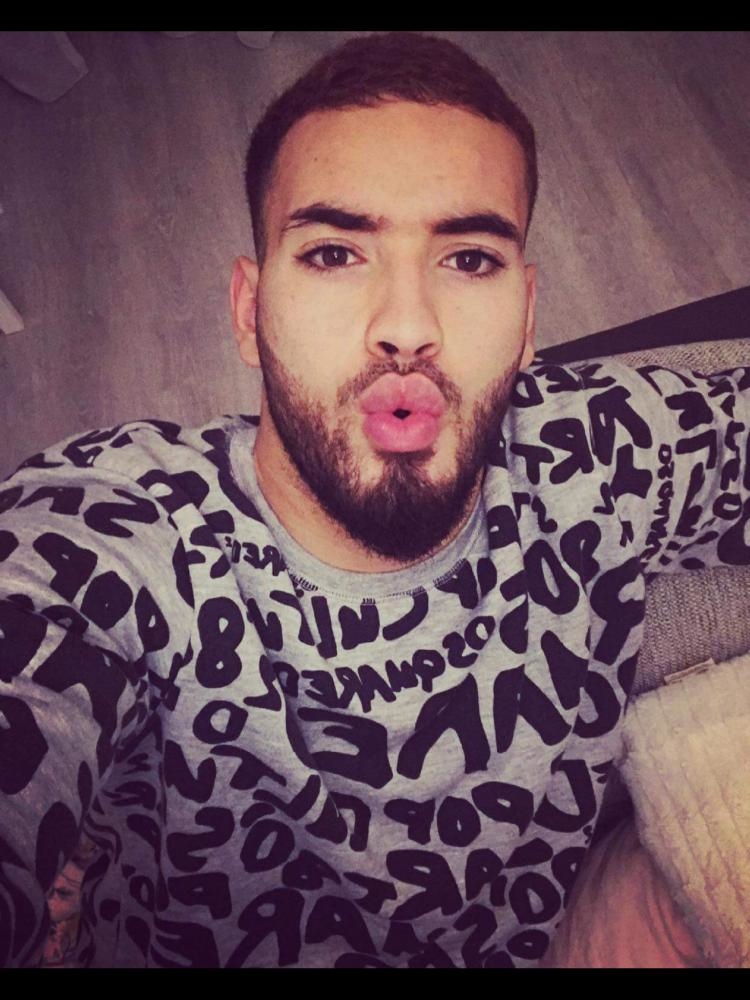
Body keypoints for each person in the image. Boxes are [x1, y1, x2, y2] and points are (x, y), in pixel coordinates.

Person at [0, 31, 747, 969]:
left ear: (526, 316)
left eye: (469, 258)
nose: (406, 326)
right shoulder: (118, 537)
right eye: (333, 253)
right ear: (249, 310)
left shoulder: (599, 453)